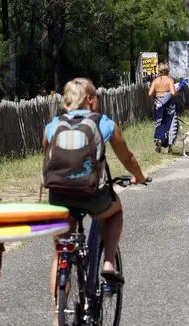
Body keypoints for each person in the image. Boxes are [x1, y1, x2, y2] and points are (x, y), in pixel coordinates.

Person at [43, 78, 148, 324]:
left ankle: (59, 315)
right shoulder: (104, 123)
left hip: (59, 197)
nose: (99, 99)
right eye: (97, 96)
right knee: (114, 212)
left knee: (61, 254)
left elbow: (46, 161)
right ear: (90, 99)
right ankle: (109, 262)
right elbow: (128, 158)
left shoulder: (52, 125)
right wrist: (140, 177)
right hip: (92, 195)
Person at [148, 62, 178, 153]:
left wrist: (156, 95)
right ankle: (170, 145)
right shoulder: (170, 80)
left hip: (158, 103)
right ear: (168, 70)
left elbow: (150, 93)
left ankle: (158, 139)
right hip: (169, 104)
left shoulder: (155, 81)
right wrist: (176, 92)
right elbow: (173, 93)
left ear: (159, 70)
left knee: (159, 122)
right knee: (172, 122)